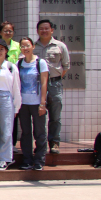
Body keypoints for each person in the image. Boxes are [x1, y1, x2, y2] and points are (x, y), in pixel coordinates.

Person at [34, 19, 70, 155]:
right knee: (38, 116)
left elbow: (66, 66)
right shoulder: (33, 46)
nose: (44, 31)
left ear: (52, 30)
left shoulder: (60, 46)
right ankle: (40, 143)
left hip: (54, 84)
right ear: (37, 31)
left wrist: (55, 78)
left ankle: (54, 142)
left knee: (55, 116)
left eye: (46, 28)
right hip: (37, 84)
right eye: (41, 29)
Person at [0, 39, 21, 171]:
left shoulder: (11, 67)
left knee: (6, 130)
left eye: (1, 49)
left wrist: (16, 106)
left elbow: (16, 87)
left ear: (6, 51)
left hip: (6, 98)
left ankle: (5, 159)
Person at [17, 37, 49, 171]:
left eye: (27, 45)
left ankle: (39, 160)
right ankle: (27, 159)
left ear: (33, 46)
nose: (25, 48)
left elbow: (44, 83)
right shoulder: (19, 64)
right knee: (25, 133)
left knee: (40, 132)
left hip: (37, 103)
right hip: (23, 104)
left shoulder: (40, 62)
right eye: (23, 46)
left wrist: (43, 103)